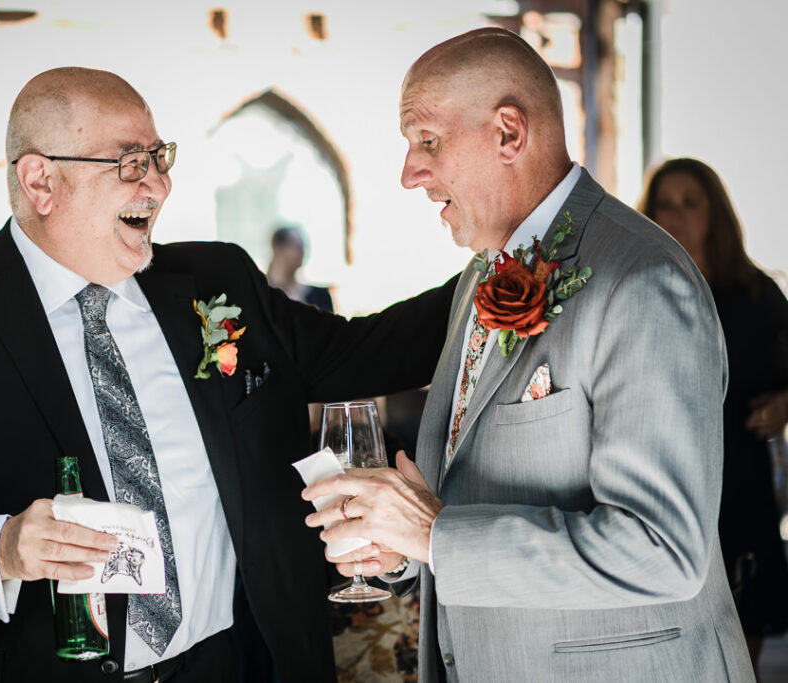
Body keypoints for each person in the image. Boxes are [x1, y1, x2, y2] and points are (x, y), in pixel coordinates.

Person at [0, 67, 457, 683]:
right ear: (40, 183)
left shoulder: (214, 282)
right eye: (131, 163)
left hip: (228, 666)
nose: (159, 185)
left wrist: (520, 260)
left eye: (160, 158)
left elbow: (377, 348)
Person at [303, 28, 754, 682]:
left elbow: (663, 551)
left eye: (427, 141)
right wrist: (399, 543)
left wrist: (434, 535)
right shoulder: (479, 276)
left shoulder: (642, 281)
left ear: (509, 133)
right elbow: (467, 502)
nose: (409, 173)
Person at [639, 156, 788, 677]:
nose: (676, 215)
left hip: (743, 482)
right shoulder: (638, 291)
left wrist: (784, 407)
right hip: (662, 481)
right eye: (664, 204)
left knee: (742, 629)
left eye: (690, 203)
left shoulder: (756, 294)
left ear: (715, 214)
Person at [266, 225, 334, 312]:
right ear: (277, 249)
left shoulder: (320, 295)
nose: (302, 251)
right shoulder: (261, 295)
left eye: (302, 246)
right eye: (296, 246)